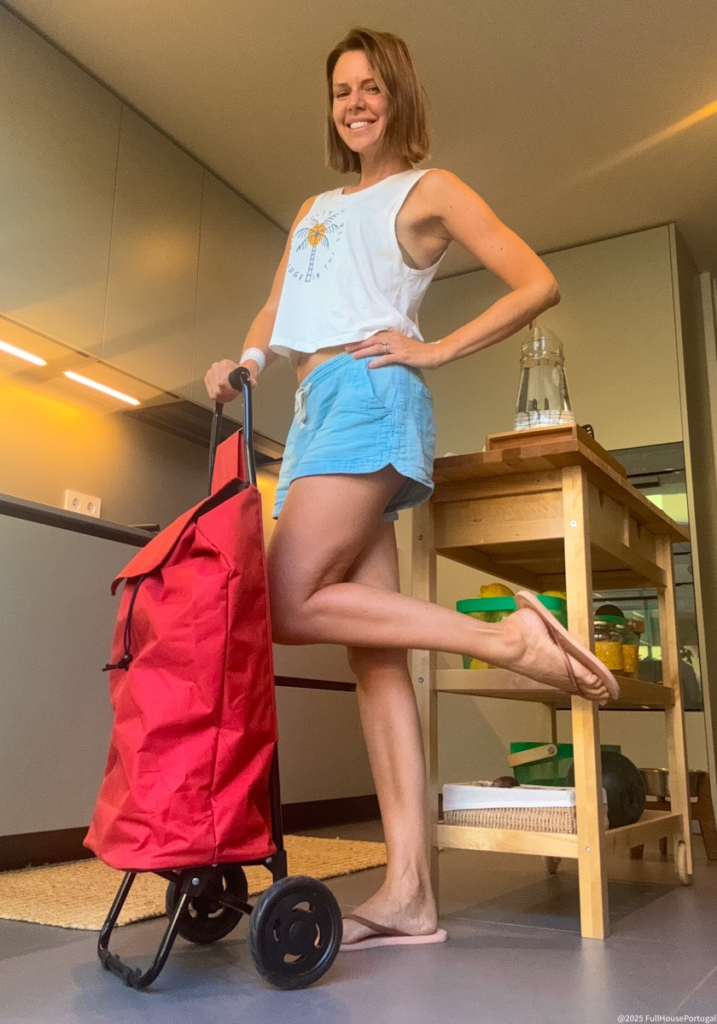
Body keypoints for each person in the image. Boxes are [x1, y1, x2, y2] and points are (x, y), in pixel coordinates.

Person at [205, 27, 618, 952]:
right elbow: (283, 301)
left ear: (398, 97)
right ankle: (410, 895)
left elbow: (534, 281)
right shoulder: (317, 204)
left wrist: (429, 348)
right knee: (373, 654)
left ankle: (507, 639)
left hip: (366, 397)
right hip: (316, 404)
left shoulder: (428, 191)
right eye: (340, 89)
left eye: (370, 88)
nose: (354, 103)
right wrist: (246, 359)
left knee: (280, 600)